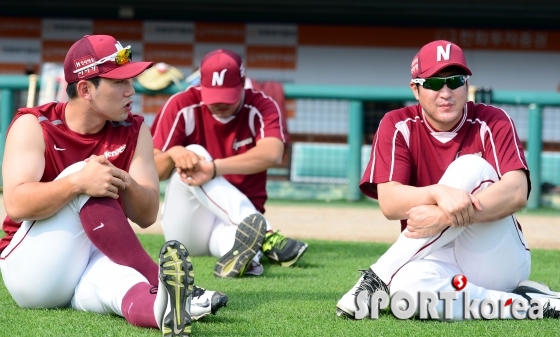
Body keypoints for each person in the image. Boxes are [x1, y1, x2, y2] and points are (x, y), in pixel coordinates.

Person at [0, 35, 226, 336]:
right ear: (85, 89)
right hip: (30, 274)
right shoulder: (33, 124)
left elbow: (146, 216)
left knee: (124, 284)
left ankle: (165, 308)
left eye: (130, 80)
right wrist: (79, 181)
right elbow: (15, 204)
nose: (131, 91)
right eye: (119, 82)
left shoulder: (134, 129)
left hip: (87, 259)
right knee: (86, 171)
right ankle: (158, 279)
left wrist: (126, 182)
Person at [336, 40, 560, 320]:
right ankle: (526, 303)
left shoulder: (492, 120)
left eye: (455, 81)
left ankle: (378, 275)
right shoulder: (397, 124)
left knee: (469, 168)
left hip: (493, 257)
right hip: (436, 260)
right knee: (407, 294)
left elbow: (517, 191)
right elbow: (390, 203)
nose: (446, 92)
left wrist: (445, 217)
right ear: (415, 89)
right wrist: (438, 193)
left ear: (467, 86)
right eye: (432, 83)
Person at [150, 49, 308, 278]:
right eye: (214, 95)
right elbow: (154, 169)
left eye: (227, 95)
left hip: (230, 225)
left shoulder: (261, 104)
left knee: (243, 247)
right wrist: (174, 153)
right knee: (195, 152)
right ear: (200, 84)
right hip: (189, 224)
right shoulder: (182, 104)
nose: (220, 103)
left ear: (242, 83)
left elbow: (273, 153)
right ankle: (267, 236)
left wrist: (213, 169)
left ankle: (249, 258)